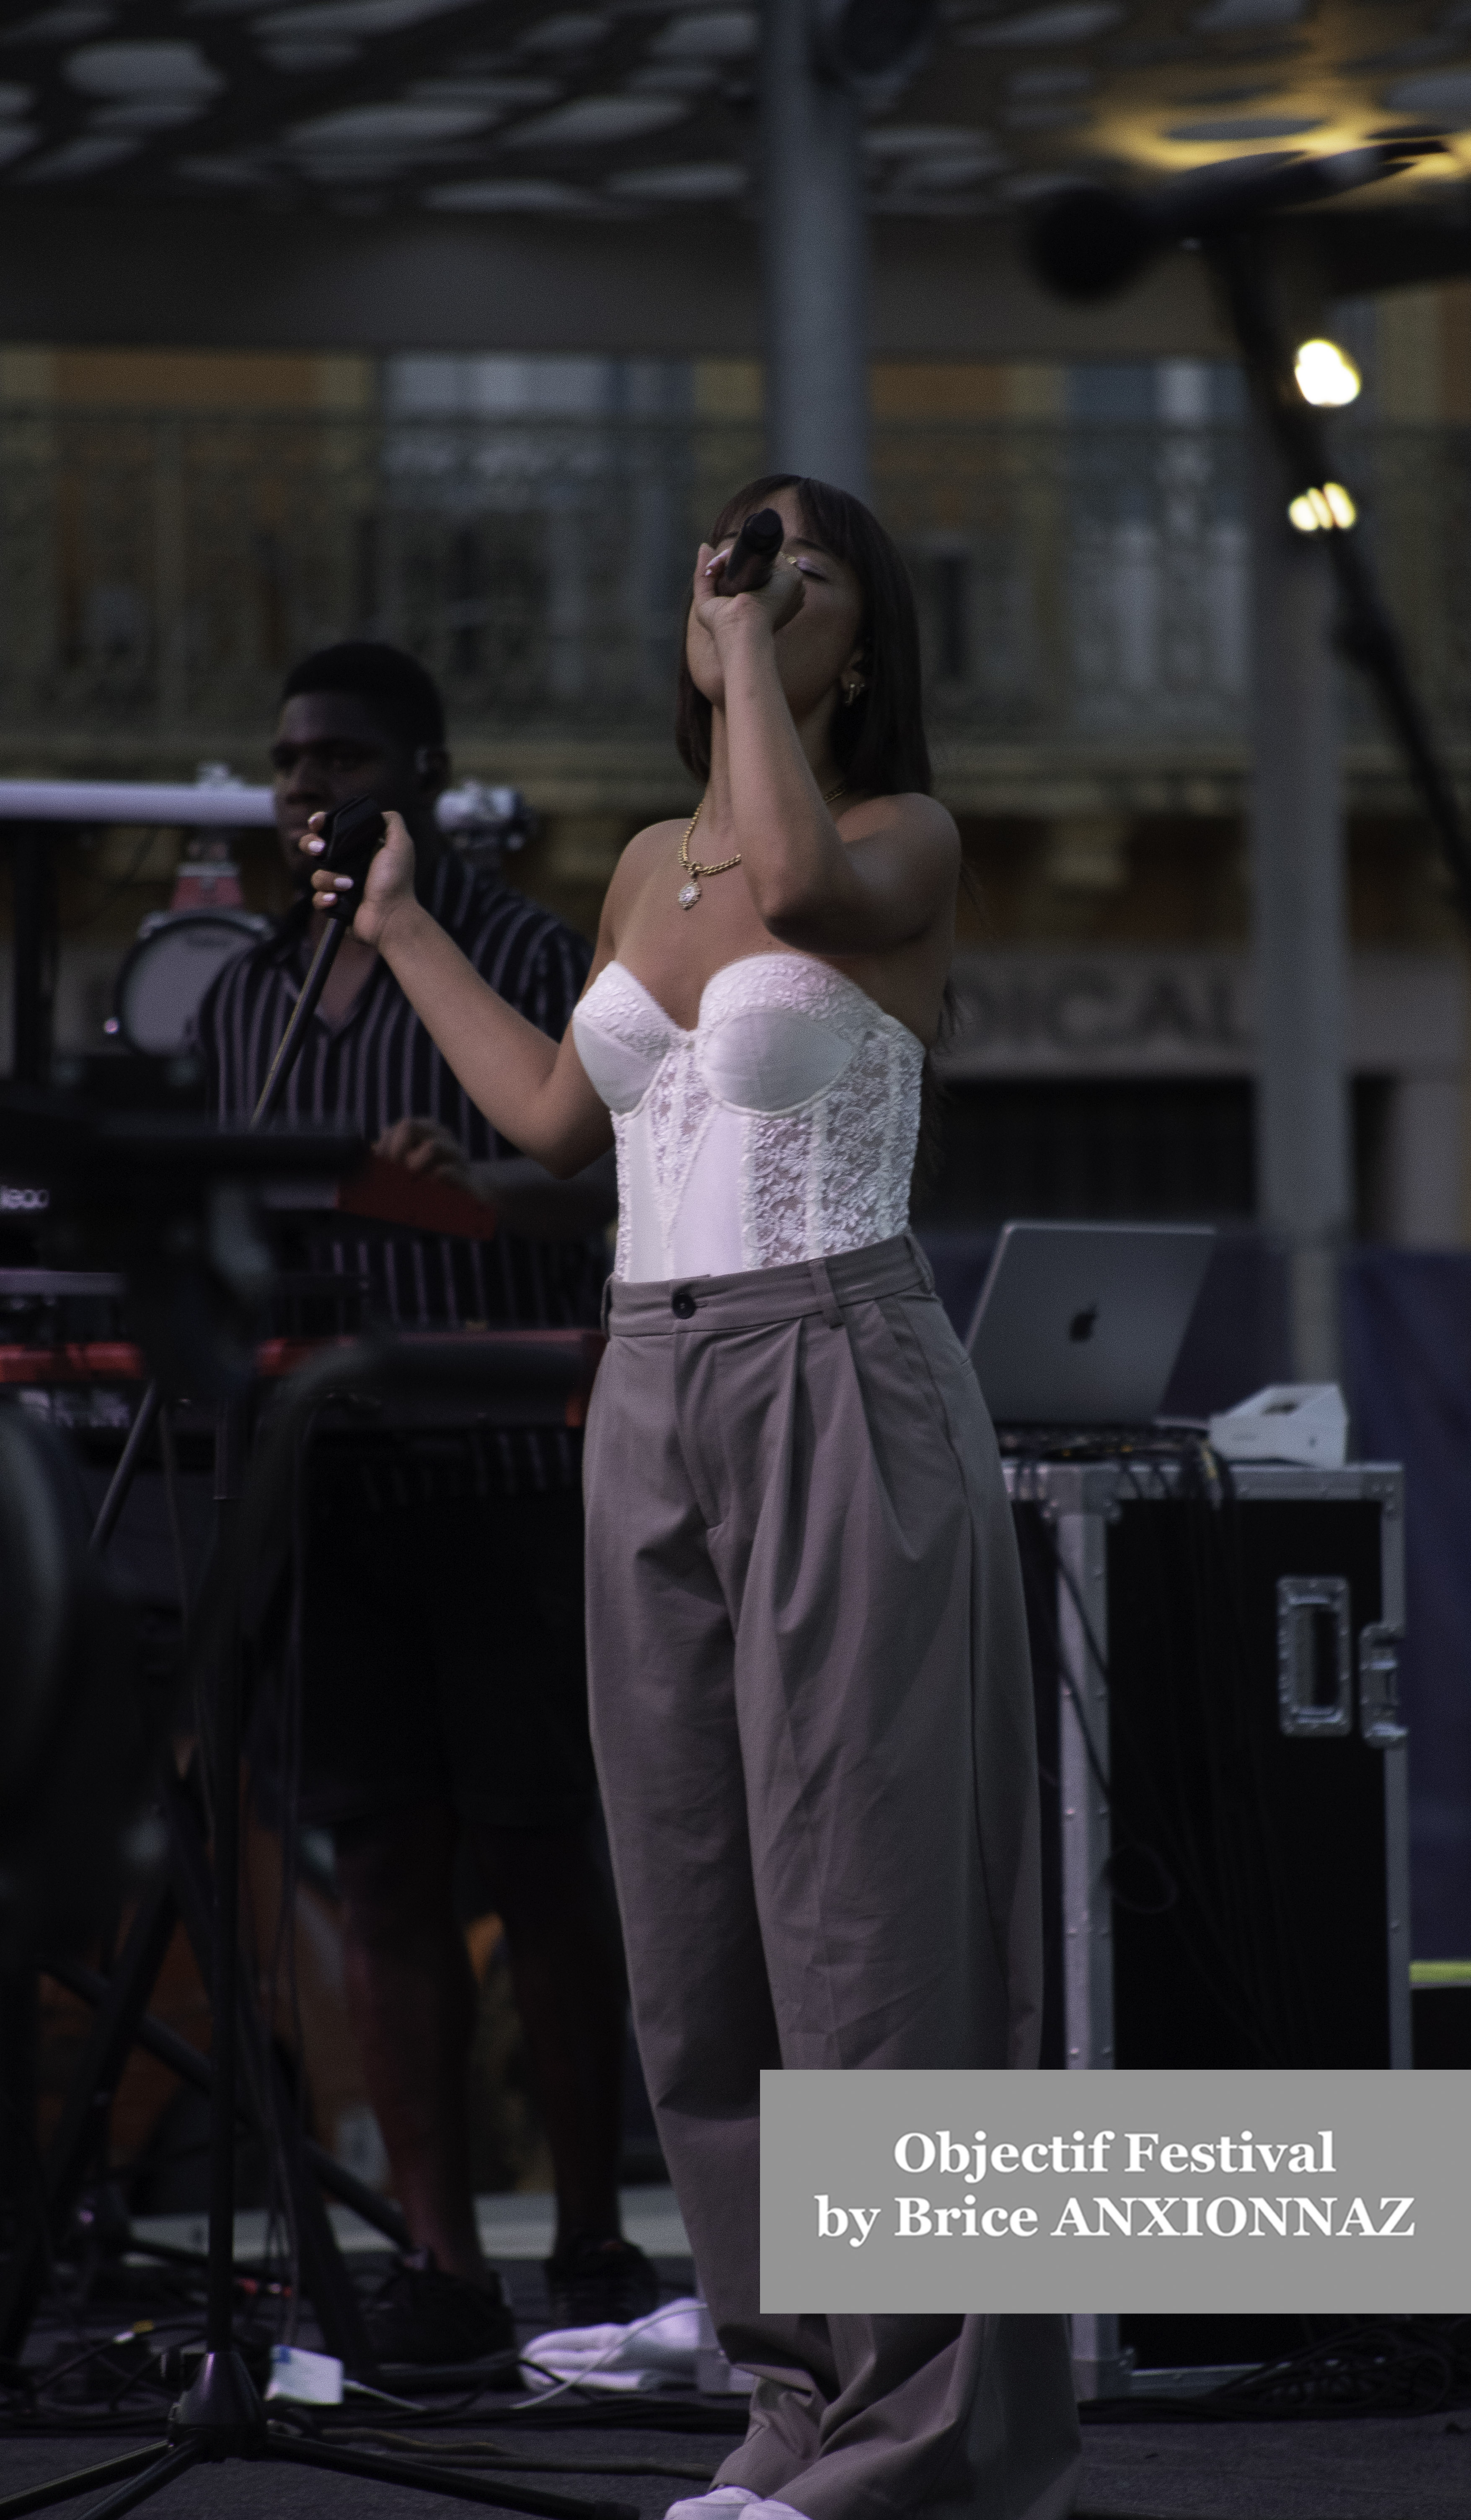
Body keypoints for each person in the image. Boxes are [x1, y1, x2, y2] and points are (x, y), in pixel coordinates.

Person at [309, 492, 1081, 2516]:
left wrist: (752, 666)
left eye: (794, 576)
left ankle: (920, 2427)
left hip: (835, 1353)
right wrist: (398, 930)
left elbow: (808, 887)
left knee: (868, 1926)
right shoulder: (650, 863)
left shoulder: (898, 834)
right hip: (640, 1378)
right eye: (723, 568)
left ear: (856, 642)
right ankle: (788, 2397)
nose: (739, 591)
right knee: (694, 1919)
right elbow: (557, 1118)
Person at [196, 642, 658, 2363]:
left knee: (546, 1855)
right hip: (330, 1477)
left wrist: (482, 1202)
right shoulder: (243, 989)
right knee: (381, 1864)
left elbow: (612, 1182)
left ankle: (598, 2250)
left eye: (342, 756)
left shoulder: (532, 949)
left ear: (427, 771)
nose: (307, 788)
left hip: (511, 1463)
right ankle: (443, 2267)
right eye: (286, 759)